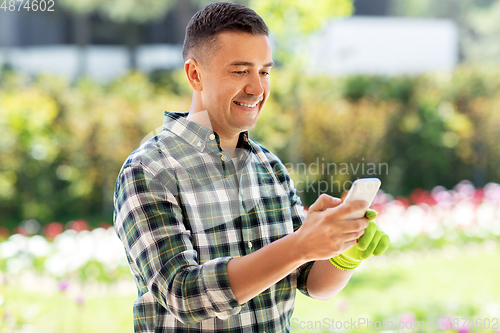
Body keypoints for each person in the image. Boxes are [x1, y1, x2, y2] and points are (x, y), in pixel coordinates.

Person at [113, 2, 390, 332]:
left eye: (264, 71)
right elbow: (182, 295)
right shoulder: (149, 170)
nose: (257, 89)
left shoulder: (269, 167)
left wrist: (339, 251)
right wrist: (299, 244)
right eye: (240, 71)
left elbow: (309, 282)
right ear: (195, 74)